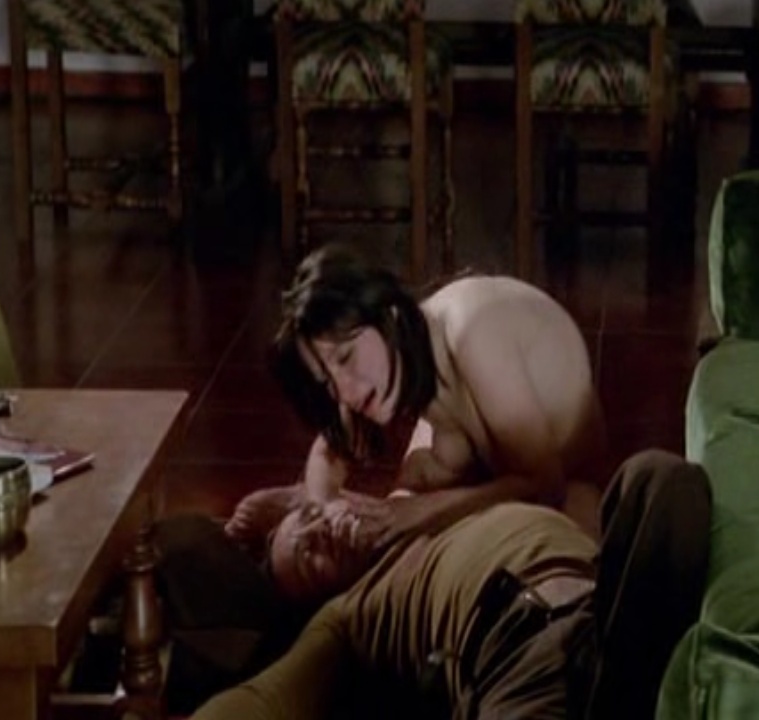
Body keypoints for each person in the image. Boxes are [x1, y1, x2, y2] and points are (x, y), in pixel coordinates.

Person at [191, 449, 713, 720]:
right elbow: (267, 699)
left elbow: (566, 485)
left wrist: (296, 499)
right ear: (315, 598)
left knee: (661, 478)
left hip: (604, 608)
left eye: (310, 517)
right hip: (521, 651)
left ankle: (626, 690)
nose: (321, 531)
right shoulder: (349, 611)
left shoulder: (422, 505)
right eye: (310, 556)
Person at [223, 242, 609, 551]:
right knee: (405, 496)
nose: (345, 391)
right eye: (327, 381)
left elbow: (546, 483)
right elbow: (328, 452)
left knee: (574, 541)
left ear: (389, 315)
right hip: (485, 465)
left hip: (562, 483)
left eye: (345, 357)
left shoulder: (471, 332)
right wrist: (322, 505)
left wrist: (418, 513)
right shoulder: (374, 362)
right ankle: (310, 510)